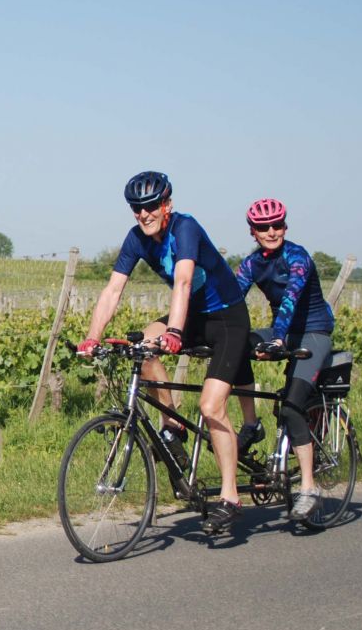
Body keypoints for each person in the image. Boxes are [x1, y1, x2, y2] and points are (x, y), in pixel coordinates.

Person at [77, 171, 253, 533]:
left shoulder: (184, 228)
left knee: (210, 405)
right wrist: (93, 337)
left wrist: (174, 330)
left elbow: (184, 281)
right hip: (191, 318)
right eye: (137, 208)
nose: (144, 214)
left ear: (167, 205)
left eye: (152, 206)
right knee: (142, 347)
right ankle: (172, 427)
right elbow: (113, 290)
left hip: (227, 320)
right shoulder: (136, 239)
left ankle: (231, 496)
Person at [231, 197, 337, 520]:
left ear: (285, 227)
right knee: (233, 343)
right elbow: (232, 298)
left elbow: (290, 299)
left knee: (292, 408)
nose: (272, 231)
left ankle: (308, 488)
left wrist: (277, 339)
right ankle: (251, 425)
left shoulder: (298, 257)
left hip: (313, 332)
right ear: (253, 232)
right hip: (285, 332)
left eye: (277, 225)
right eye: (264, 227)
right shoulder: (251, 264)